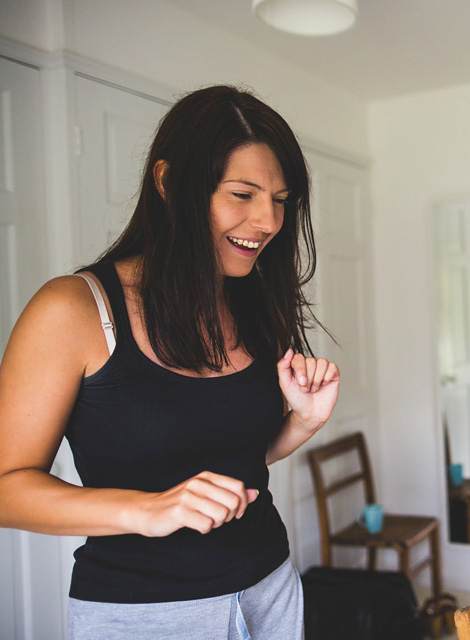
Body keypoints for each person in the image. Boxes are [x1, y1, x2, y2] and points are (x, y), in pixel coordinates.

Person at [0, 85, 340, 639]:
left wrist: (301, 422)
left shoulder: (250, 300)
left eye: (280, 199)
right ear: (167, 182)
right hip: (146, 614)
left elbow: (235, 462)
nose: (268, 221)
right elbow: (6, 486)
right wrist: (145, 510)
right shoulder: (74, 309)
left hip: (272, 587)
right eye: (243, 194)